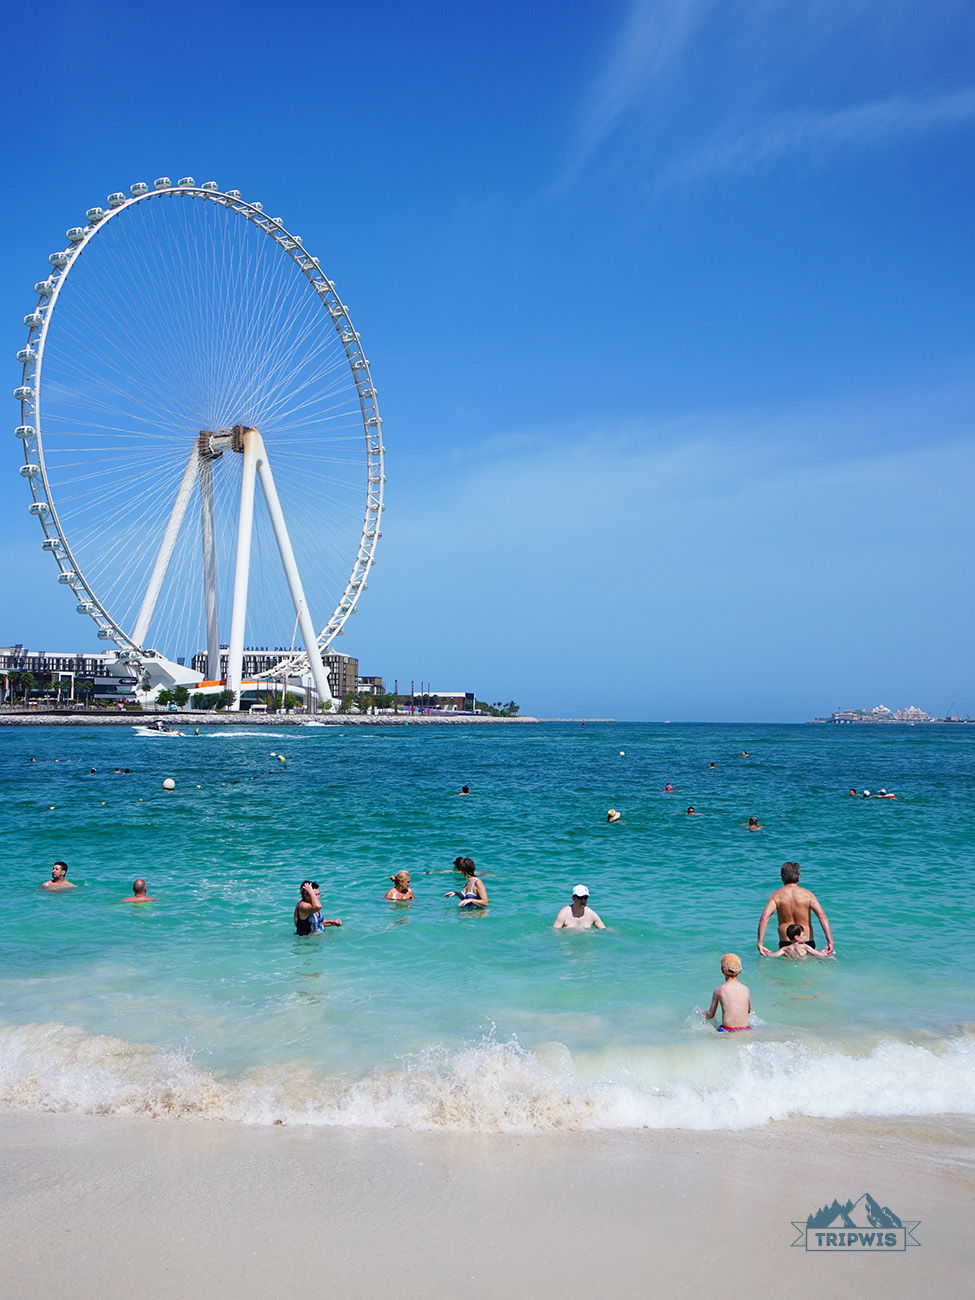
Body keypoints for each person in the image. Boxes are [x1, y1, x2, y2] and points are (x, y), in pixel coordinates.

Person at [757, 862, 834, 955]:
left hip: (785, 942)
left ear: (782, 878)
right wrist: (830, 942)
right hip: (806, 940)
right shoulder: (807, 895)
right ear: (798, 877)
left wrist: (760, 943)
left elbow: (764, 917)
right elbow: (822, 916)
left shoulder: (776, 896)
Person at [705, 954, 751, 1031]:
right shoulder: (746, 989)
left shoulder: (719, 990)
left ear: (722, 970)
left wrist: (701, 1014)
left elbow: (710, 1015)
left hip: (728, 1030)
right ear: (740, 970)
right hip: (746, 1029)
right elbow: (748, 1011)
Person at [767, 923, 832, 960]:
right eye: (803, 935)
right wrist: (825, 953)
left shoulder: (785, 948)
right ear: (797, 937)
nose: (805, 937)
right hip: (803, 964)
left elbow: (773, 955)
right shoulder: (804, 946)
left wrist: (767, 953)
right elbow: (818, 955)